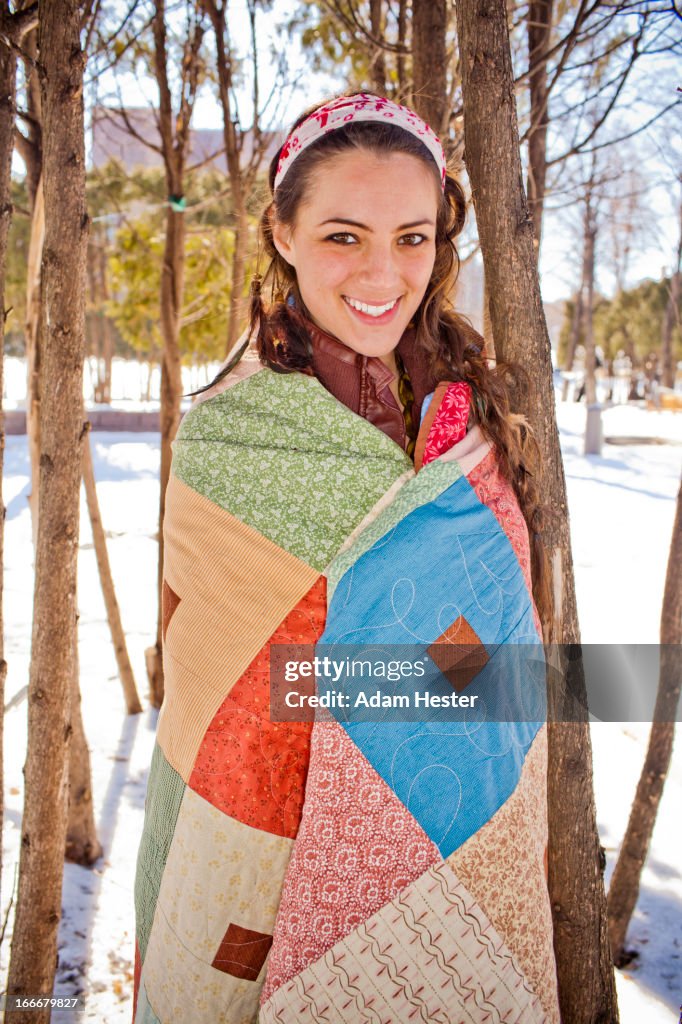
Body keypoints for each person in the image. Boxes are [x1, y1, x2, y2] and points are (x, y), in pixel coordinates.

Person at [133, 93, 560, 1024]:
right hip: (257, 835)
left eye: (412, 238)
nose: (383, 271)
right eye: (341, 235)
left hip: (464, 834)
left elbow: (502, 663)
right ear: (281, 231)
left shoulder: (476, 418)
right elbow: (208, 671)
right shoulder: (226, 439)